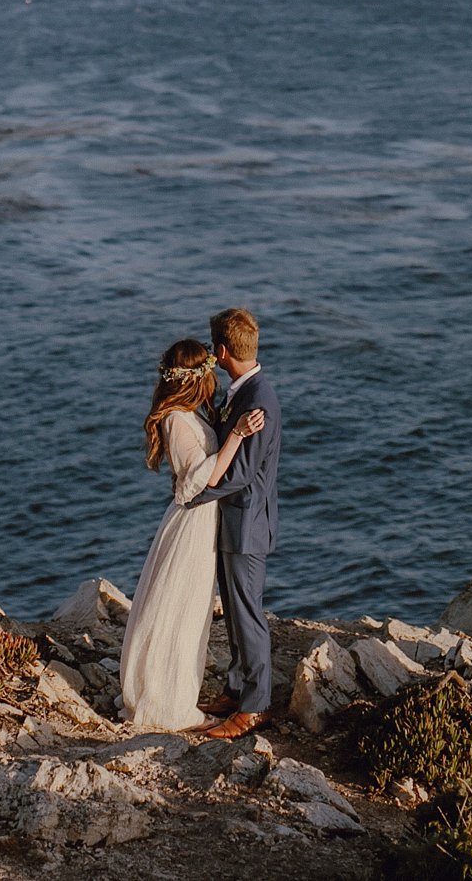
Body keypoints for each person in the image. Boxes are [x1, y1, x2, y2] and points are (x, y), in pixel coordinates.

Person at [116, 338, 264, 729]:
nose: (215, 377)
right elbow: (198, 482)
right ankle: (168, 703)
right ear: (195, 378)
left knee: (189, 608)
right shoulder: (176, 420)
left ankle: (171, 691)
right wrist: (237, 436)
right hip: (192, 522)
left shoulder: (189, 412)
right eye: (208, 371)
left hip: (202, 522)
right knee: (180, 610)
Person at [188, 307, 282, 739]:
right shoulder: (243, 391)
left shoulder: (258, 399)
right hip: (235, 522)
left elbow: (241, 473)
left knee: (247, 616)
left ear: (223, 351)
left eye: (213, 349)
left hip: (245, 527)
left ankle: (255, 706)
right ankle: (235, 688)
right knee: (235, 612)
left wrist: (194, 495)